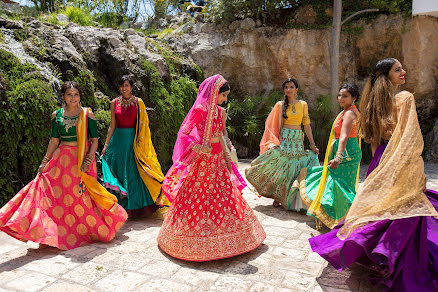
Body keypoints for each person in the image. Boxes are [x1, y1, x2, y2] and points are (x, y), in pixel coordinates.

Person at [309, 58, 438, 291]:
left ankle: (380, 254)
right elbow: (410, 140)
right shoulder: (405, 98)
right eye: (397, 70)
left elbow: (375, 142)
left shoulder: (376, 104)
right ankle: (395, 257)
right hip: (398, 159)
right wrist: (413, 169)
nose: (403, 72)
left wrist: (375, 170)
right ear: (388, 76)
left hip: (381, 158)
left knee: (382, 208)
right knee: (402, 208)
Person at [0, 81, 127, 250]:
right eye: (69, 95)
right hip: (61, 160)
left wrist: (88, 160)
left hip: (81, 160)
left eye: (76, 95)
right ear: (63, 97)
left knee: (80, 197)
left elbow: (95, 140)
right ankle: (50, 233)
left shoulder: (87, 114)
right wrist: (45, 161)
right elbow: (54, 140)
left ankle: (88, 230)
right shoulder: (57, 115)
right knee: (51, 193)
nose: (73, 98)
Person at [157, 75, 266, 261]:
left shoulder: (220, 112)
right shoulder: (200, 110)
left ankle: (231, 237)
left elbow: (221, 136)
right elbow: (183, 133)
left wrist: (226, 157)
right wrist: (198, 147)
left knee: (224, 195)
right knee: (198, 195)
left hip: (217, 160)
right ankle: (190, 238)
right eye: (223, 95)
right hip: (202, 161)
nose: (225, 99)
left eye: (225, 96)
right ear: (214, 92)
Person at [245, 78, 319, 210]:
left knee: (295, 168)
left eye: (291, 87)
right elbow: (272, 124)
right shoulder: (280, 105)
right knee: (282, 168)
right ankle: (277, 196)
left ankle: (287, 197)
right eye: (286, 87)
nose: (288, 90)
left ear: (297, 89)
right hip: (285, 138)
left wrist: (312, 144)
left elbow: (307, 125)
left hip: (297, 140)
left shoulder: (303, 104)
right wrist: (274, 141)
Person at [102, 75, 169, 218]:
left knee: (133, 174)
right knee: (117, 171)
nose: (124, 88)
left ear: (132, 87)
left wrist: (140, 144)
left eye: (127, 85)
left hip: (134, 142)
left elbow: (143, 126)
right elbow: (112, 125)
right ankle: (119, 208)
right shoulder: (114, 103)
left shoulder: (139, 103)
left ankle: (135, 208)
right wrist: (106, 145)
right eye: (122, 86)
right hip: (117, 142)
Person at [298, 84, 361, 230]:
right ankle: (343, 216)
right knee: (340, 185)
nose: (340, 98)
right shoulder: (349, 111)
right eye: (339, 95)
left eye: (345, 96)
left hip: (346, 153)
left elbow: (344, 137)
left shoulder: (349, 114)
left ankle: (350, 217)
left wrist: (338, 158)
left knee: (340, 185)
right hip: (349, 151)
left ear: (354, 98)